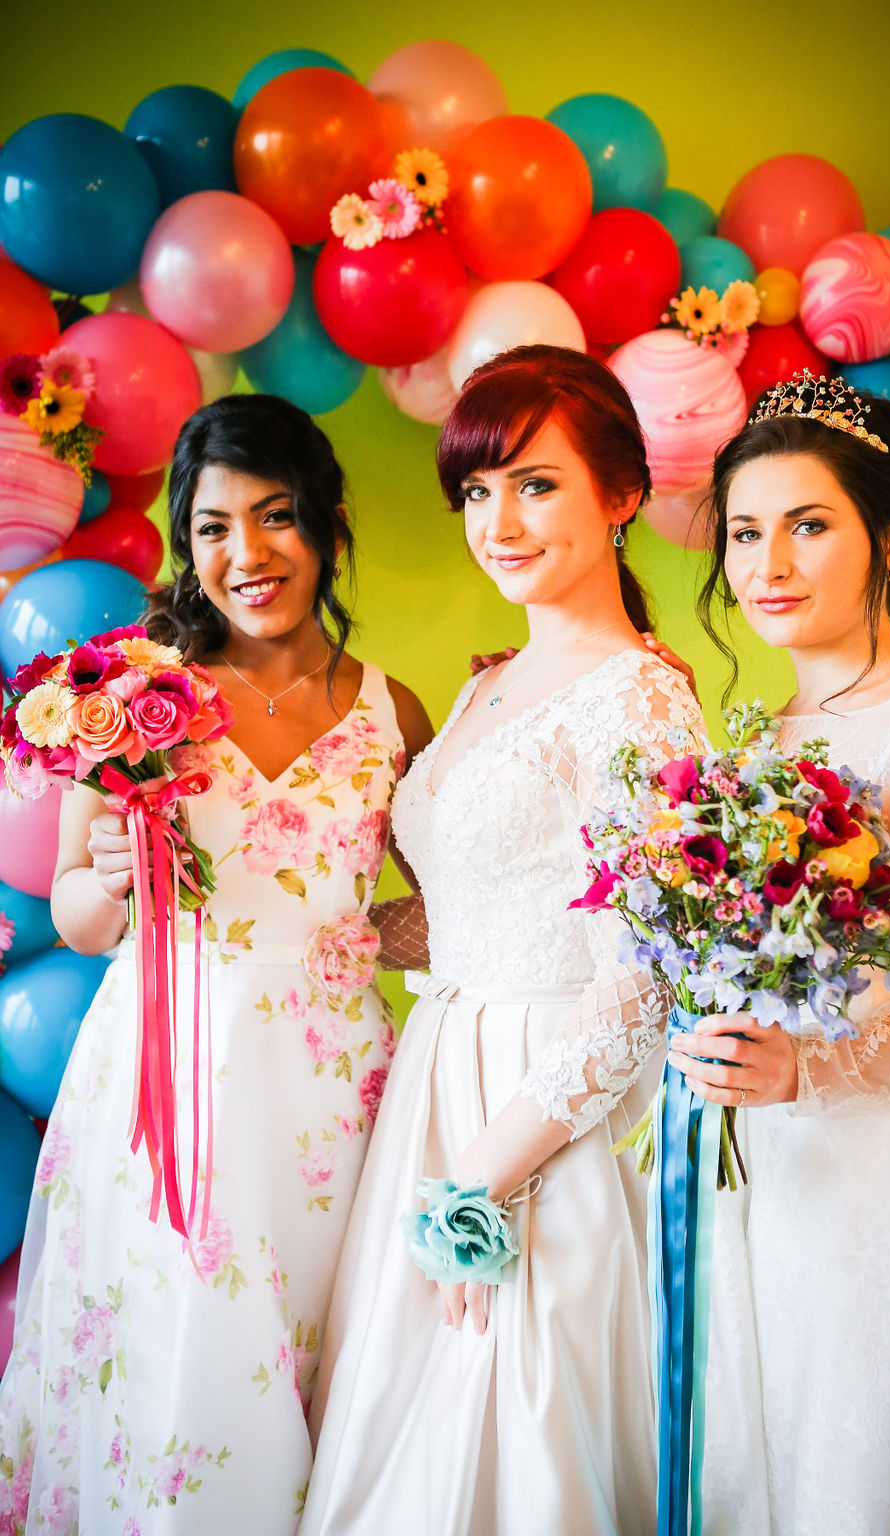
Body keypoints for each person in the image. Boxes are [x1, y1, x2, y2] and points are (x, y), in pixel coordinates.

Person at [0, 394, 432, 1534]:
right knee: (179, 1356)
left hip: (335, 1087)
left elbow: (433, 907)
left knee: (323, 1343)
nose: (247, 555)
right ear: (189, 548)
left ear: (328, 525)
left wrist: (367, 936)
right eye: (212, 527)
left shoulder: (397, 711)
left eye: (276, 516)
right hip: (170, 1077)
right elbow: (79, 917)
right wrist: (114, 880)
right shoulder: (136, 701)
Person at [299, 345, 707, 1536]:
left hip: (547, 1106)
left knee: (515, 1430)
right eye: (478, 492)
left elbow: (642, 972)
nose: (499, 522)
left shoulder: (639, 697)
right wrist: (294, 931)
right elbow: (473, 904)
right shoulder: (489, 687)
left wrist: (488, 1171)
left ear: (621, 495)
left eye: (534, 485)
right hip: (443, 1062)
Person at [668, 373, 890, 1535]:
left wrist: (813, 1071)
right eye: (744, 531)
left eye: (808, 525)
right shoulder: (767, 734)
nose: (767, 562)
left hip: (873, 1180)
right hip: (748, 1171)